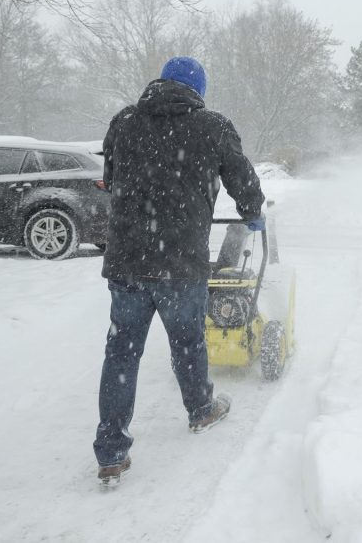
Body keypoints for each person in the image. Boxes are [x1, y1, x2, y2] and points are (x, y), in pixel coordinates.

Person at [94, 56, 264, 485]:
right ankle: (200, 409)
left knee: (121, 352)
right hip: (180, 262)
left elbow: (111, 177)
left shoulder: (125, 121)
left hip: (128, 260)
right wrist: (253, 212)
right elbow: (240, 177)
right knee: (187, 341)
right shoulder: (212, 126)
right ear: (197, 90)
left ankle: (111, 450)